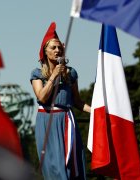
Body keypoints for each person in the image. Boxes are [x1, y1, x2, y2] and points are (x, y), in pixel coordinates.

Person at [30, 22, 91, 180]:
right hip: (46, 121)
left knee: (70, 164)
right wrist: (53, 77)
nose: (57, 50)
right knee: (53, 166)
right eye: (53, 48)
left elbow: (77, 102)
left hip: (66, 121)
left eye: (60, 48)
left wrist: (97, 111)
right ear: (45, 51)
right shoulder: (37, 74)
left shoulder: (71, 73)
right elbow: (41, 97)